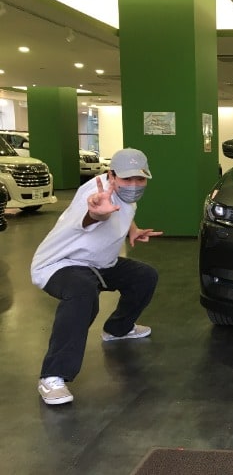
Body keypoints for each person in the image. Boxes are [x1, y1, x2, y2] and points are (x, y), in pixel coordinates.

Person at [31, 148, 162, 405]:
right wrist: (97, 214)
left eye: (140, 179)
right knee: (82, 291)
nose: (134, 185)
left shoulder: (124, 194)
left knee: (144, 276)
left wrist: (131, 231)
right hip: (61, 264)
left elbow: (125, 210)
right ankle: (52, 376)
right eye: (127, 179)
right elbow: (91, 216)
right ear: (110, 175)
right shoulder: (93, 195)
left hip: (99, 263)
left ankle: (117, 329)